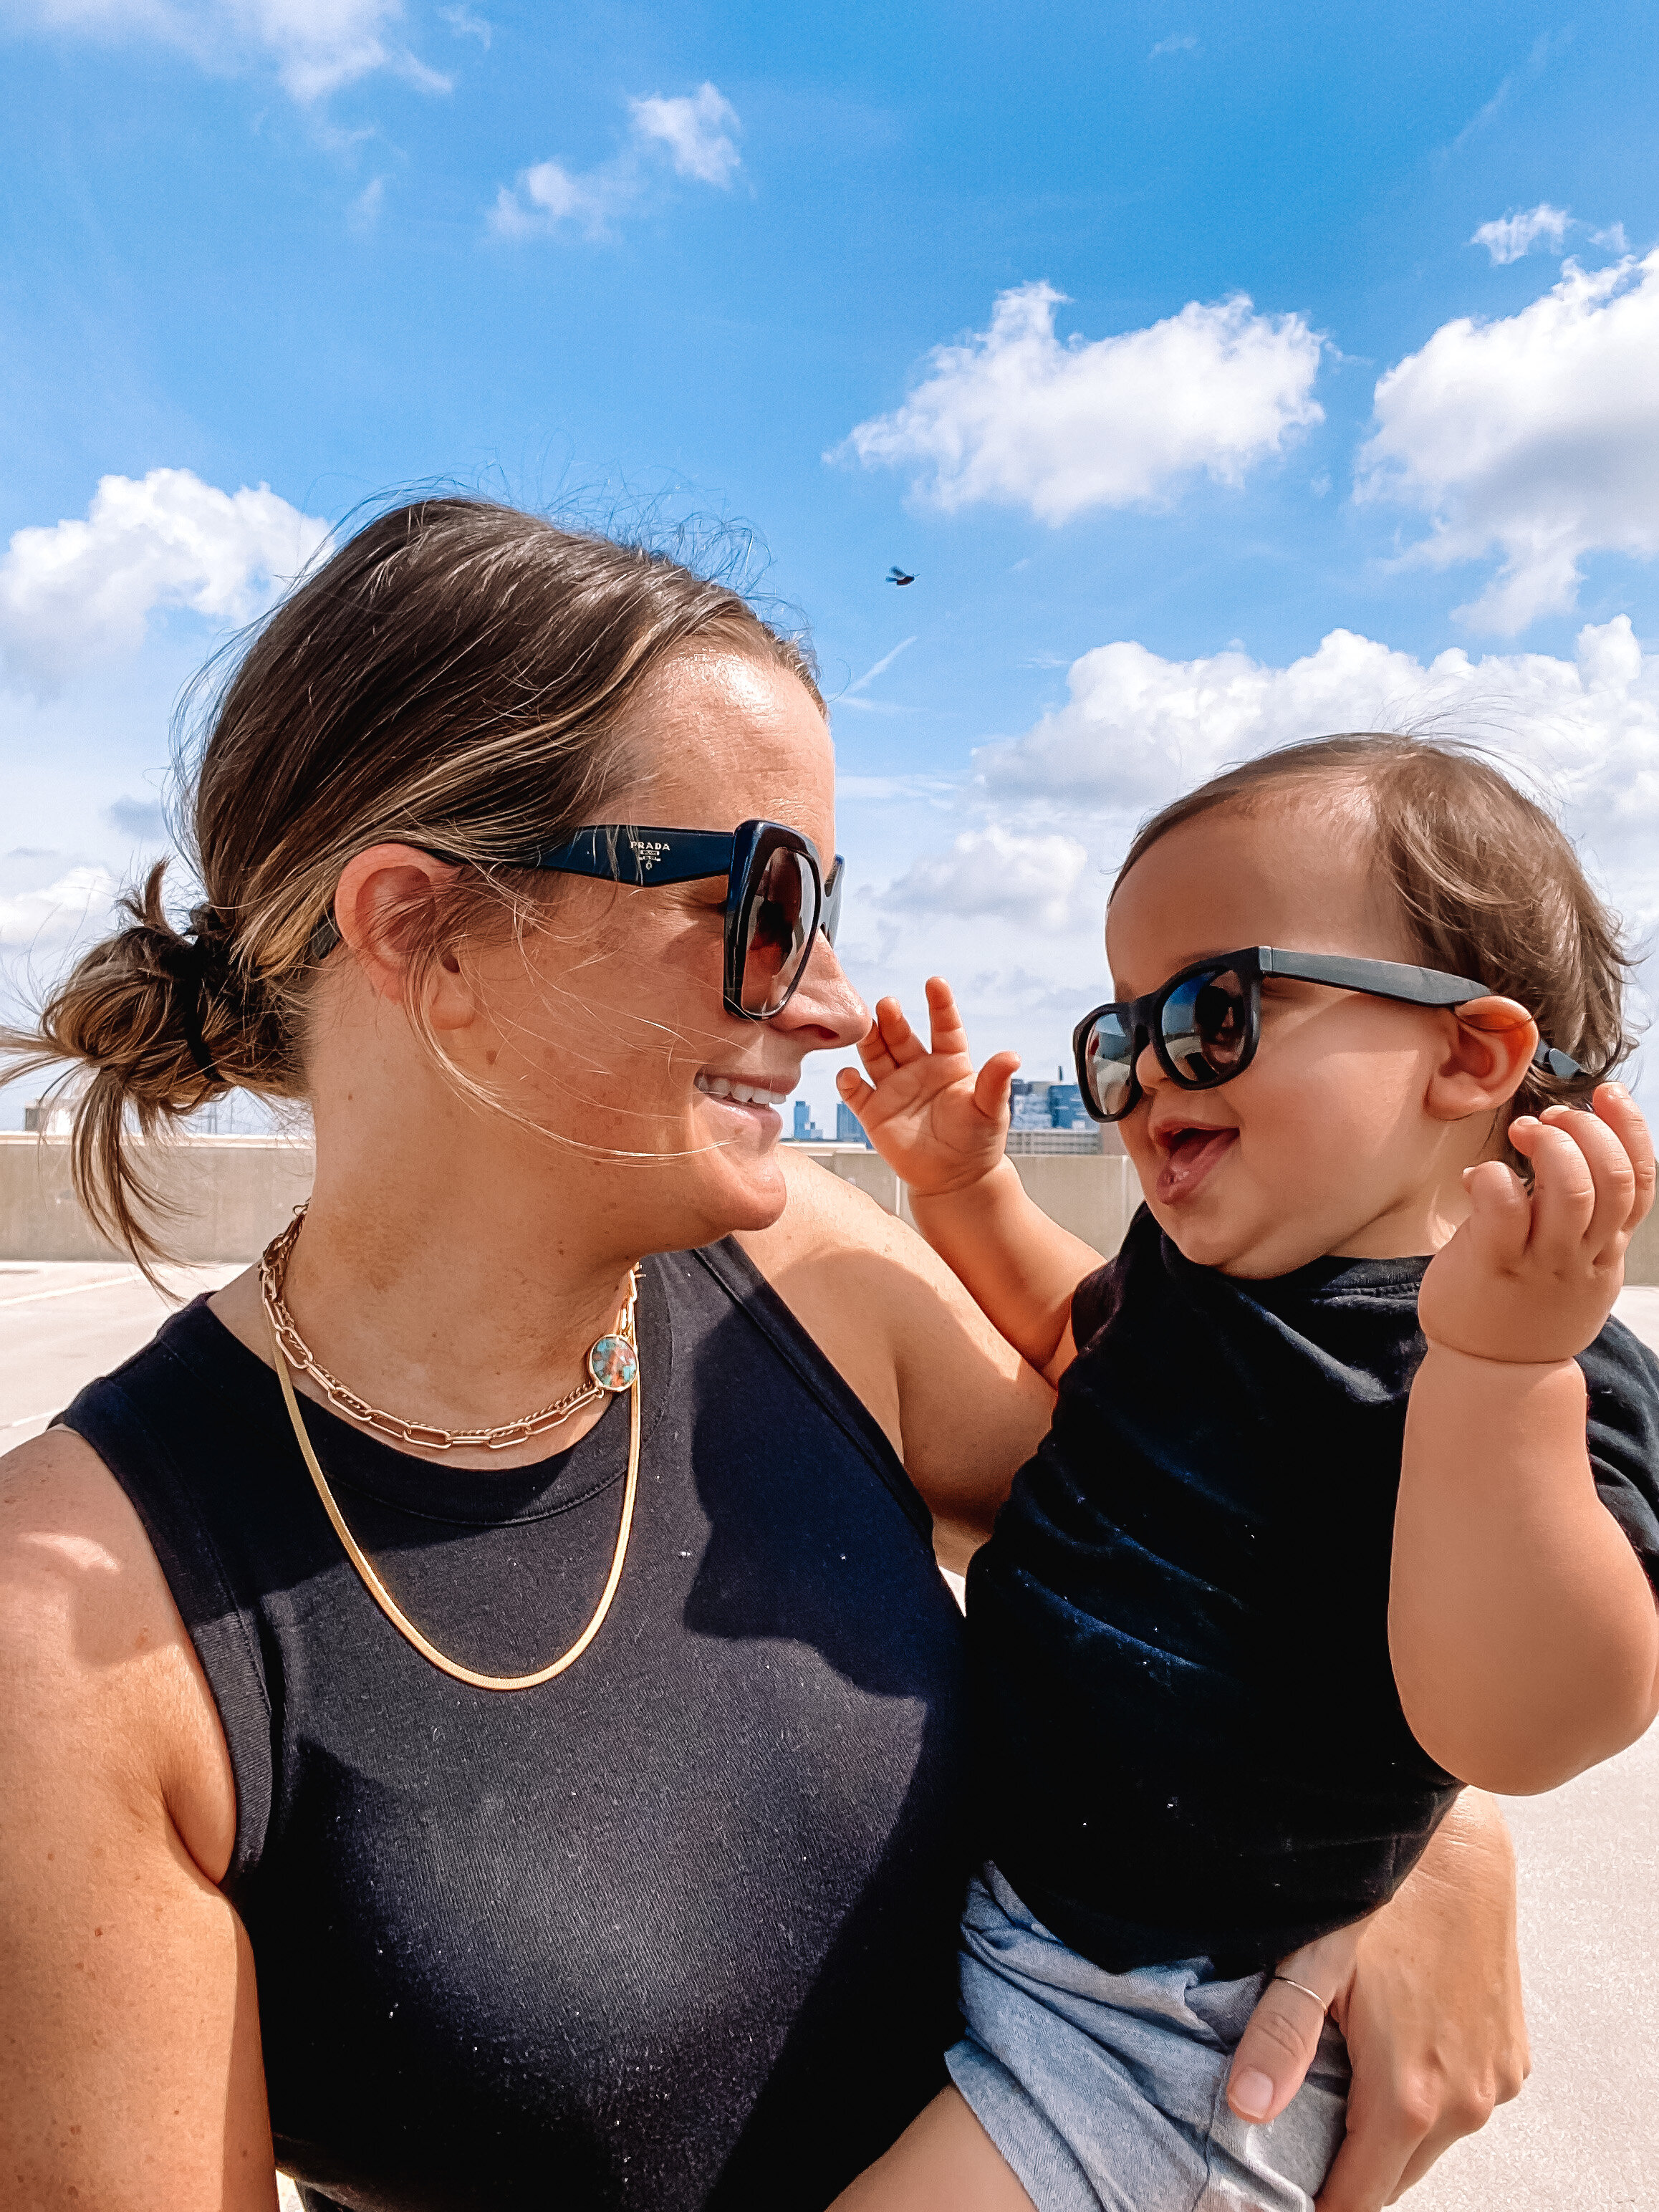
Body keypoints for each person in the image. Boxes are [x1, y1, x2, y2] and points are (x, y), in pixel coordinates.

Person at [0, 509, 1526, 2212]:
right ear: (423, 929)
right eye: (764, 902)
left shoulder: (797, 1270)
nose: (824, 1001)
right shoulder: (72, 1641)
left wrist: (1426, 1840)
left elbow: (1245, 1564)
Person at [833, 735, 1659, 2212]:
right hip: (1010, 1892)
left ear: (1468, 1054)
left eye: (1214, 1011)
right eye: (1124, 1030)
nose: (1149, 1070)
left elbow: (1534, 1717)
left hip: (1168, 2024)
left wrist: (1502, 1373)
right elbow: (1079, 1352)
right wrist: (963, 1191)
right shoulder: (1207, 1270)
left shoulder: (1525, 1364)